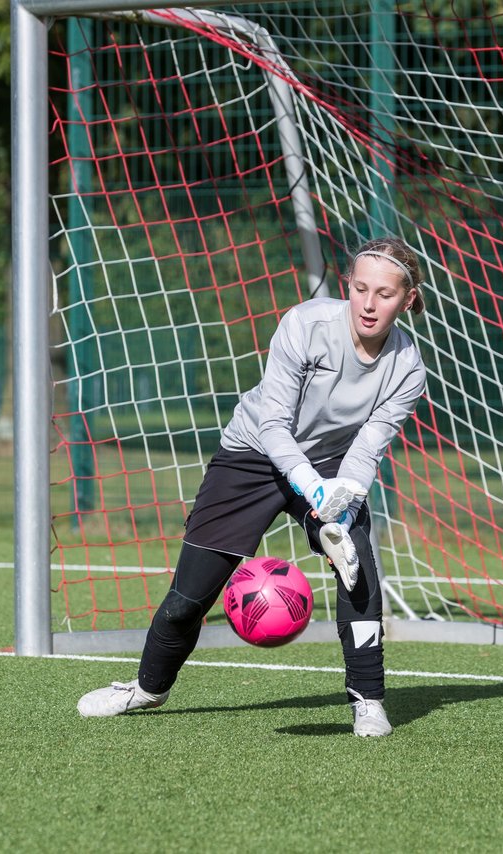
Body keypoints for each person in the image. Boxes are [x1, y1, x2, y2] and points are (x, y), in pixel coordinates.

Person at [77, 236, 428, 737]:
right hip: (253, 457)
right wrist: (313, 490)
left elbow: (366, 450)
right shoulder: (306, 324)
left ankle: (368, 701)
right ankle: (148, 687)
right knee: (187, 600)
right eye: (360, 288)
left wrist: (341, 510)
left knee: (359, 576)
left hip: (331, 468)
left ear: (408, 299)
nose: (369, 305)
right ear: (348, 284)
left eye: (386, 294)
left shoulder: (408, 369)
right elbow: (272, 426)